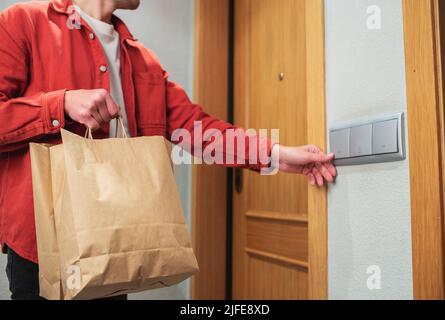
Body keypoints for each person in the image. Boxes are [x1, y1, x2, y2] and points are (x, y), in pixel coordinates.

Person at [0, 0, 337, 300]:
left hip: (113, 244)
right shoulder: (24, 22)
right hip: (42, 248)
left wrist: (277, 155)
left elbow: (197, 128)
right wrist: (60, 105)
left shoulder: (143, 60)